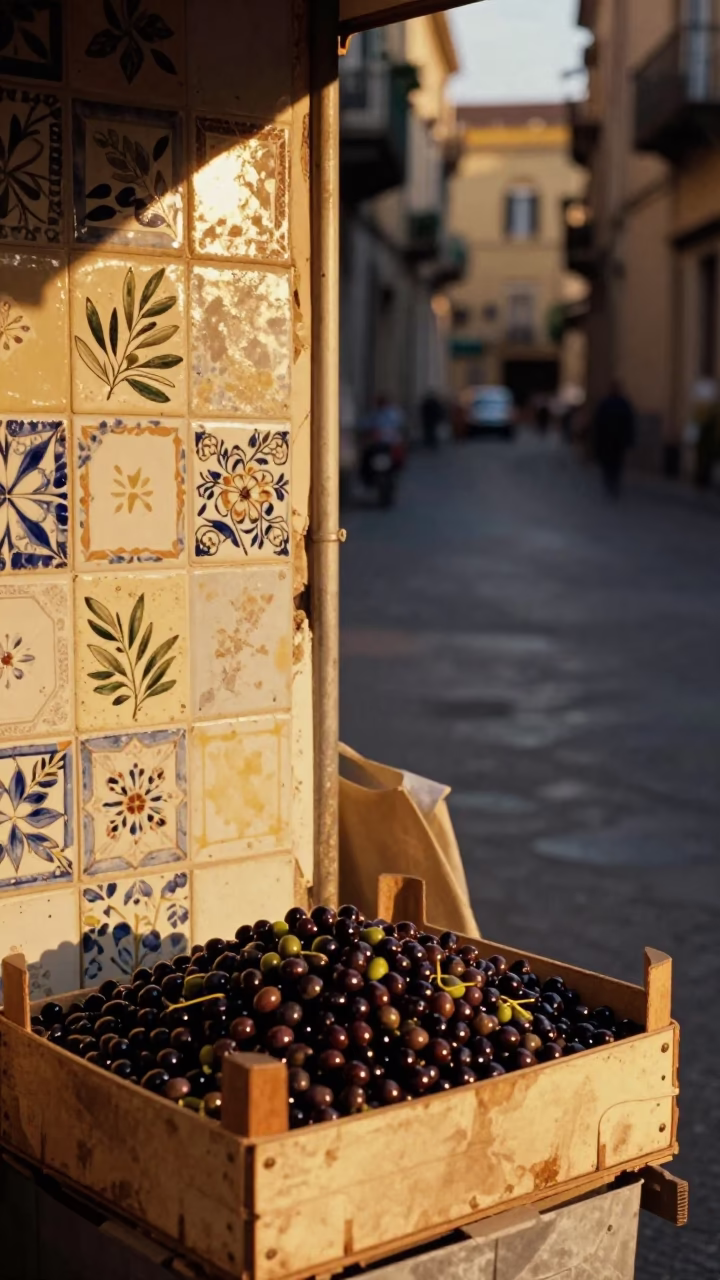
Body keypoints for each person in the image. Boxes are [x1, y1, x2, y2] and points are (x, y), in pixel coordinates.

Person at [593, 380, 636, 496]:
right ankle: (611, 483)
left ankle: (612, 483)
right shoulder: (611, 404)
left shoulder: (614, 404)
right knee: (611, 464)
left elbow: (628, 423)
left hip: (615, 441)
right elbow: (598, 423)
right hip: (611, 441)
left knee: (613, 464)